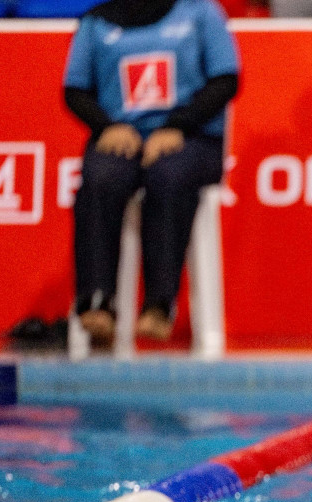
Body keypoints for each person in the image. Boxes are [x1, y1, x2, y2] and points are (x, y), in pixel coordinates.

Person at [63, 0, 239, 346]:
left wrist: (177, 126)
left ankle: (159, 306)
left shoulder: (201, 13)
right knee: (101, 178)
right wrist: (107, 127)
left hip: (191, 137)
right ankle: (97, 302)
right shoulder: (96, 22)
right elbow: (75, 91)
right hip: (122, 136)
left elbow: (225, 81)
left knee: (168, 175)